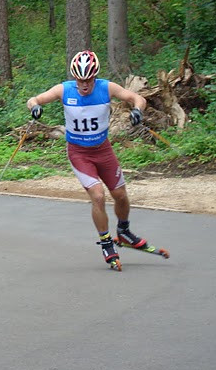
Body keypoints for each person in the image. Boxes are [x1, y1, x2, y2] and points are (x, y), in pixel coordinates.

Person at [26, 50, 148, 270]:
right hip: (79, 153)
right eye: (80, 79)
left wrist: (138, 110)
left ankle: (124, 231)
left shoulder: (106, 88)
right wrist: (35, 107)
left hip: (103, 150)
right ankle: (106, 242)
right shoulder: (64, 89)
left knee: (120, 195)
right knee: (98, 196)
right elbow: (34, 99)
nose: (84, 84)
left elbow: (137, 98)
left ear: (95, 76)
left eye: (88, 79)